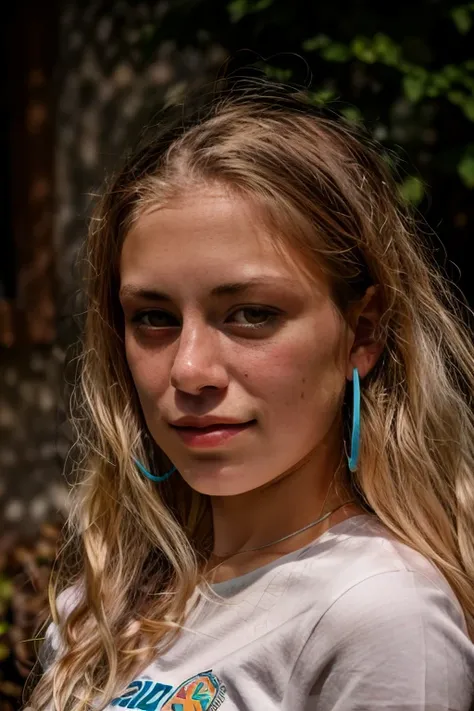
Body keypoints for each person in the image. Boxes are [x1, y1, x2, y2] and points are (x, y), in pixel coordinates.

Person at [28, 79, 474, 711]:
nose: (189, 369)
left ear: (362, 333)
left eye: (251, 314)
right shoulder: (101, 606)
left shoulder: (378, 612)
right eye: (153, 317)